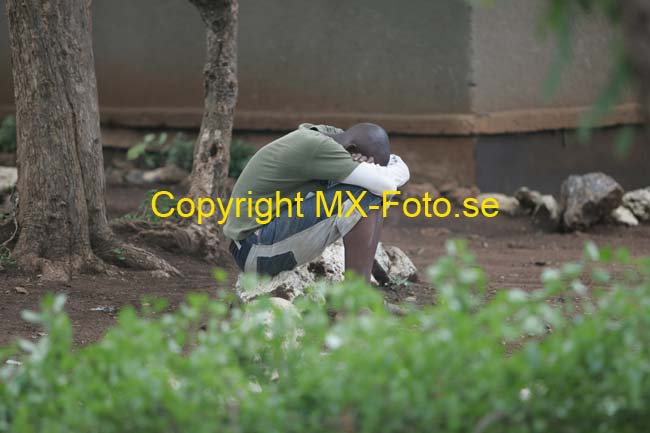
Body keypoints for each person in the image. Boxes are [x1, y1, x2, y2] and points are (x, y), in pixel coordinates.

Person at [224, 122, 410, 282]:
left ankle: (362, 299)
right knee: (365, 193)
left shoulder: (336, 137)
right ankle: (354, 306)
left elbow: (399, 172)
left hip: (259, 241)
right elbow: (386, 185)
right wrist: (376, 174)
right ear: (352, 150)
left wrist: (376, 170)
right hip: (255, 250)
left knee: (371, 189)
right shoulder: (318, 148)